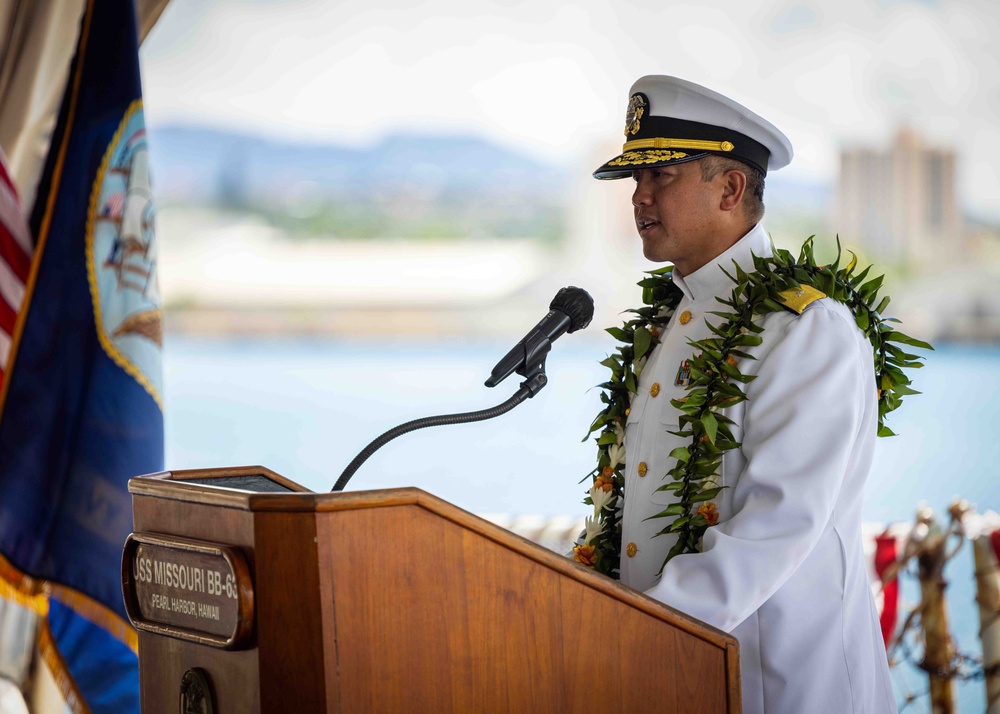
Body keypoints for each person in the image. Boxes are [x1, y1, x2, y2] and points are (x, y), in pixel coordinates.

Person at [592, 75, 897, 713]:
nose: (638, 196)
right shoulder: (668, 325)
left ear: (731, 187)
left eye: (661, 175)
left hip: (782, 684)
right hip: (673, 671)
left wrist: (624, 635)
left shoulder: (806, 330)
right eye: (634, 180)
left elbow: (775, 526)